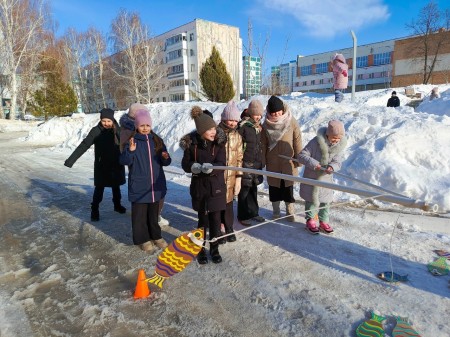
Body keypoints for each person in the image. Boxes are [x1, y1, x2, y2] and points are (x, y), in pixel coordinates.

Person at [180, 106, 227, 264]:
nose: (214, 131)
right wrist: (193, 166)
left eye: (214, 127)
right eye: (210, 129)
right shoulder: (191, 145)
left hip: (216, 188)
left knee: (215, 221)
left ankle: (214, 249)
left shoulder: (219, 144)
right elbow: (185, 163)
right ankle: (199, 249)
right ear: (201, 131)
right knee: (202, 221)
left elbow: (222, 164)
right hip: (200, 188)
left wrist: (212, 169)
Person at [119, 110, 171, 252]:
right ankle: (143, 239)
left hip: (155, 184)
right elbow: (123, 160)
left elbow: (165, 162)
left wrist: (165, 157)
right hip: (139, 184)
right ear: (137, 126)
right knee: (140, 216)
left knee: (153, 214)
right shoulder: (132, 141)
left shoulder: (157, 140)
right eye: (142, 125)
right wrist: (130, 150)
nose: (145, 128)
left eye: (148, 125)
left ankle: (156, 236)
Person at [64, 108, 126, 222]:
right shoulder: (96, 131)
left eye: (109, 121)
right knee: (99, 189)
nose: (106, 123)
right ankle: (95, 209)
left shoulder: (118, 130)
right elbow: (84, 145)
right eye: (104, 121)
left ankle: (117, 205)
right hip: (101, 165)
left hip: (116, 165)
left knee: (116, 187)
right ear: (100, 120)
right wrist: (71, 160)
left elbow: (127, 144)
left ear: (113, 120)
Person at [297, 120, 347, 234]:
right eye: (334, 137)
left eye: (338, 138)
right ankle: (310, 220)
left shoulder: (337, 146)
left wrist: (332, 167)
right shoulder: (315, 142)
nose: (336, 140)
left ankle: (323, 221)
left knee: (325, 202)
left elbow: (338, 162)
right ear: (327, 134)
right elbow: (302, 156)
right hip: (312, 177)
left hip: (326, 179)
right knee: (311, 200)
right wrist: (315, 164)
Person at [261, 96, 302, 221]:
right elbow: (263, 145)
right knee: (274, 188)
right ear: (269, 112)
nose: (276, 114)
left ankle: (290, 210)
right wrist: (263, 161)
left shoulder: (291, 121)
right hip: (272, 161)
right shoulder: (266, 124)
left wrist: (298, 158)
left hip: (288, 160)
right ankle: (276, 210)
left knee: (288, 187)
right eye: (273, 112)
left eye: (278, 111)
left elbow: (297, 139)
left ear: (283, 110)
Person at [217, 100, 243, 243]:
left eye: (235, 120)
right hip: (218, 177)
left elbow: (239, 158)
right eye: (230, 119)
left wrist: (239, 178)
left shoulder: (237, 136)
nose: (232, 123)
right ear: (223, 118)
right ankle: (218, 228)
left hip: (232, 178)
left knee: (228, 204)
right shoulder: (216, 133)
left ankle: (228, 227)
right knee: (217, 203)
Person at [237, 99, 265, 226]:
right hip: (246, 163)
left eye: (260, 114)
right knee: (244, 191)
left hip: (256, 164)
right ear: (250, 113)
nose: (258, 116)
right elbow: (238, 145)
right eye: (256, 114)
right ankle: (243, 215)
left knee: (253, 189)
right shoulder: (244, 126)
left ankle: (254, 213)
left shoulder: (259, 127)